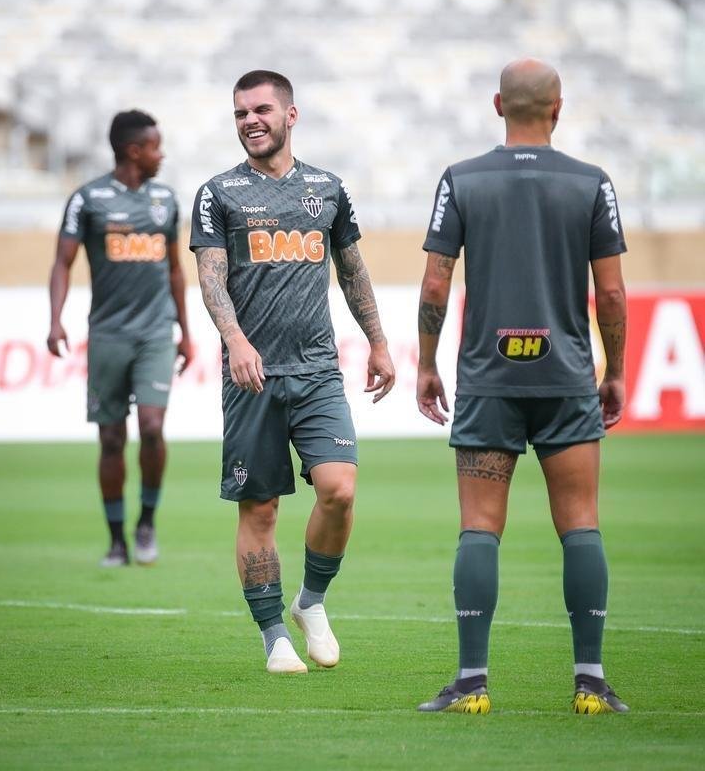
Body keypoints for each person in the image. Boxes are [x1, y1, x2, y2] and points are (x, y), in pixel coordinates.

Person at [415, 58, 628, 714]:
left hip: (489, 376)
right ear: (558, 109)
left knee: (480, 527)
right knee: (581, 525)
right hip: (565, 377)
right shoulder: (591, 183)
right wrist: (615, 370)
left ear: (498, 104)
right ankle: (590, 683)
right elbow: (612, 292)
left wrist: (426, 362)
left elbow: (433, 284)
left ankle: (472, 685)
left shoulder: (462, 179)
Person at [190, 70, 395, 674]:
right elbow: (211, 277)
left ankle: (312, 601)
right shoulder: (218, 193)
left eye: (260, 110)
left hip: (316, 370)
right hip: (251, 375)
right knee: (261, 510)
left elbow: (352, 271)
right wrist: (235, 340)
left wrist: (379, 342)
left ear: (290, 115)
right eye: (239, 114)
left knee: (339, 489)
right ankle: (274, 632)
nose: (249, 121)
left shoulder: (327, 189)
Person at [47, 109, 193, 567]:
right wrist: (55, 320)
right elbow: (62, 264)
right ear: (134, 150)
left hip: (154, 334)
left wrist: (186, 332)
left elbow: (174, 268)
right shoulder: (88, 199)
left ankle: (146, 522)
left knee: (151, 427)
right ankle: (116, 538)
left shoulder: (165, 200)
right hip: (108, 334)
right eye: (155, 146)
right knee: (111, 438)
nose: (161, 153)